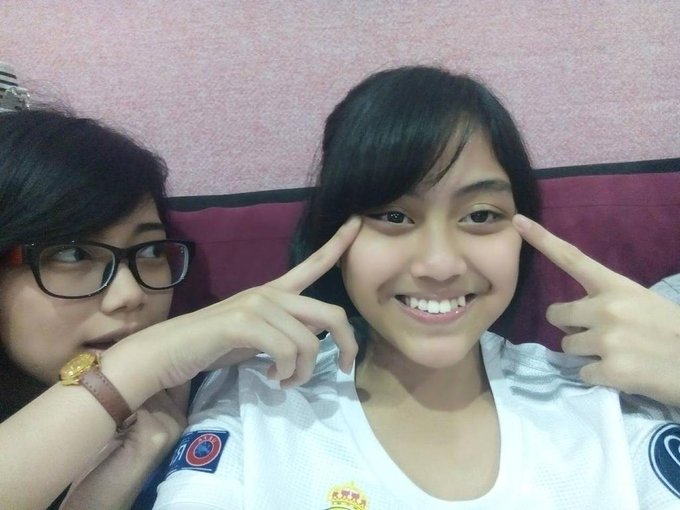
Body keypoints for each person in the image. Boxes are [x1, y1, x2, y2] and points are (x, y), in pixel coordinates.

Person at [153, 66, 680, 509]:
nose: (439, 264)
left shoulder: (606, 403)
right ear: (333, 234)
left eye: (480, 215)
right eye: (394, 215)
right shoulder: (259, 397)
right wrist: (152, 358)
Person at [0, 108, 360, 510]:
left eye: (151, 251)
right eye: (72, 254)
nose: (130, 294)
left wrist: (128, 463)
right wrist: (144, 360)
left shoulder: (209, 414)